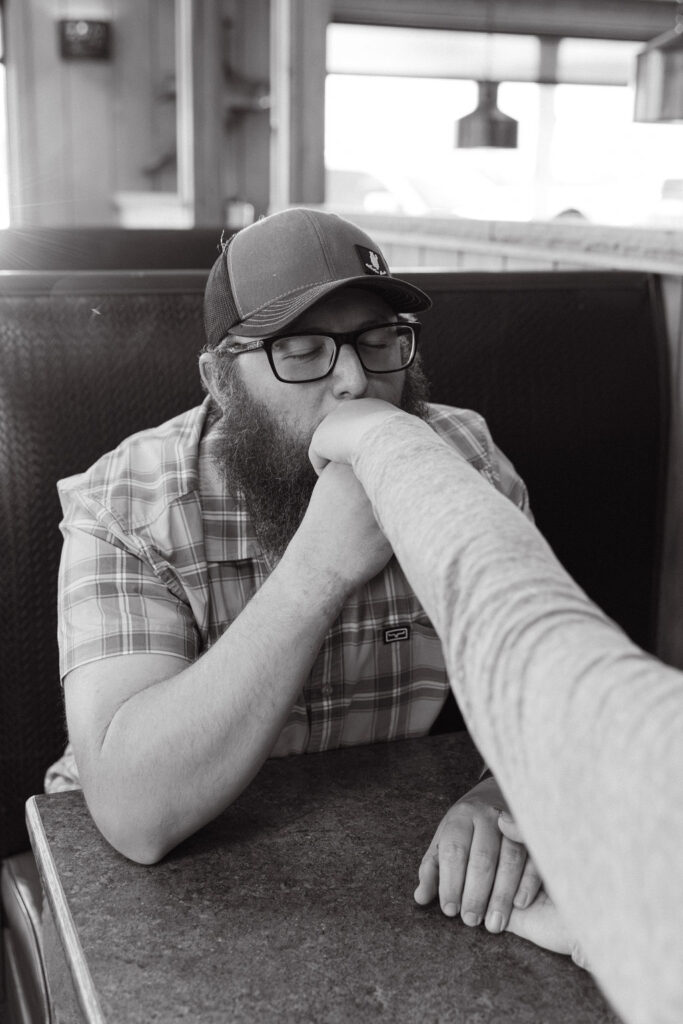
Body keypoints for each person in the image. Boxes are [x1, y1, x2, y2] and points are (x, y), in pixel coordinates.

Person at [51, 207, 539, 933]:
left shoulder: (461, 460)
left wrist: (502, 794)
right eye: (303, 350)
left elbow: (537, 687)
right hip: (127, 878)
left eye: (379, 342)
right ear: (220, 382)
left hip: (382, 854)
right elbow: (133, 814)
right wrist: (318, 570)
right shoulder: (126, 503)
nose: (354, 381)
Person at [308, 398, 683, 1024]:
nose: (351, 379)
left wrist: (383, 438)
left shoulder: (468, 446)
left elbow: (536, 656)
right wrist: (610, 927)